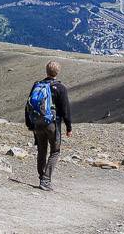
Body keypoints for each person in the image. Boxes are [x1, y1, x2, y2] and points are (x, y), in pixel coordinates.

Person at [25, 60, 72, 191]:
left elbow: (28, 105)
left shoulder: (37, 85)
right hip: (52, 124)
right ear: (58, 72)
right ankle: (46, 181)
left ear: (46, 70)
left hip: (37, 124)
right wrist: (69, 127)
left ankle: (42, 177)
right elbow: (65, 109)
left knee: (41, 150)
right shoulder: (60, 88)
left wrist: (30, 124)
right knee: (55, 151)